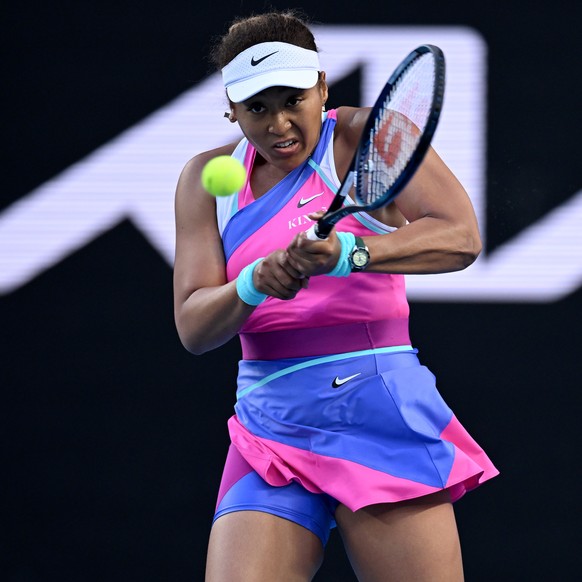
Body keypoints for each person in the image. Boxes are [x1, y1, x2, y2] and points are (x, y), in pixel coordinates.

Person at [173, 9, 498, 581]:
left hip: (377, 412)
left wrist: (351, 254)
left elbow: (460, 235)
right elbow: (195, 328)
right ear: (230, 110)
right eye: (257, 108)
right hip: (268, 426)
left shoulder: (362, 136)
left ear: (322, 87)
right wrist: (252, 283)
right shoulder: (205, 179)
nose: (278, 125)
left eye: (292, 100)